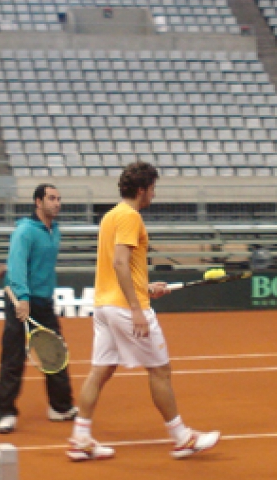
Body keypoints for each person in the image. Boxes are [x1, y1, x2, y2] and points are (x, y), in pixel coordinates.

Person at [67, 161, 220, 461]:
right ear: (141, 190)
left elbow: (122, 267)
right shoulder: (130, 217)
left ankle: (80, 438)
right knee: (160, 371)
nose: (153, 195)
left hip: (105, 306)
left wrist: (146, 287)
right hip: (125, 309)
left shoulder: (111, 216)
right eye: (152, 189)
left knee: (100, 370)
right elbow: (120, 263)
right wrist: (137, 307)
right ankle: (182, 438)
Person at [0, 184, 77, 434]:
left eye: (59, 199)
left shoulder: (55, 231)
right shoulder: (25, 231)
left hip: (43, 302)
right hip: (22, 302)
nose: (57, 203)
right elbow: (19, 263)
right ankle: (6, 413)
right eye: (51, 198)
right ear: (38, 202)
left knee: (55, 354)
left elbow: (30, 262)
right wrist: (22, 297)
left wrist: (6, 268)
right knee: (13, 358)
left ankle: (60, 407)